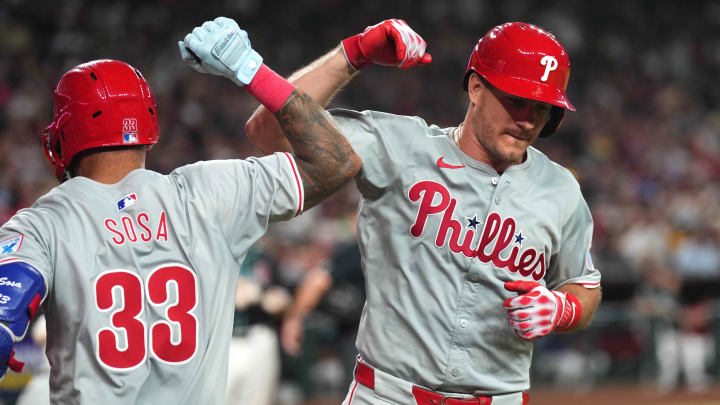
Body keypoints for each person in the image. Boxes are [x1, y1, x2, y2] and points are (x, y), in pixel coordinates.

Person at [0, 16, 361, 404]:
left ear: (65, 133)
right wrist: (251, 71)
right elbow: (336, 163)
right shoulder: (211, 192)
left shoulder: (44, 223)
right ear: (150, 124)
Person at [246, 20, 602, 405]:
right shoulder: (400, 147)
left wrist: (563, 309)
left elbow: (584, 285)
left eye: (542, 107)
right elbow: (269, 132)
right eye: (516, 100)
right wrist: (353, 54)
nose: (528, 119)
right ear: (476, 88)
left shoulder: (561, 189)